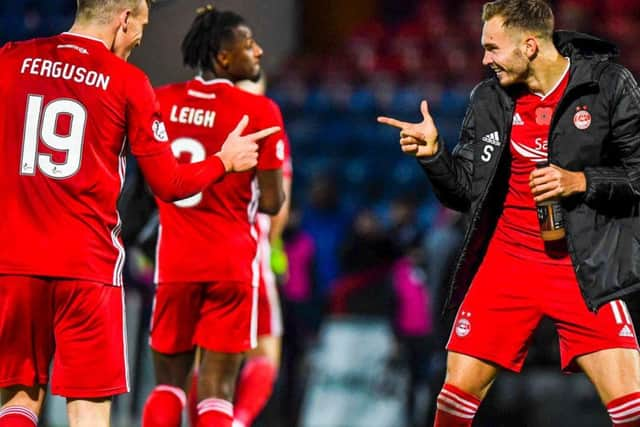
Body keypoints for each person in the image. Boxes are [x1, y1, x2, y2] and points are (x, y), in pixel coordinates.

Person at [0, 0, 279, 426]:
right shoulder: (127, 81)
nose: (139, 39)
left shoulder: (11, 58)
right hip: (87, 266)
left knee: (18, 398)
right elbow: (170, 185)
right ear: (123, 19)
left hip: (15, 260)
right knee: (90, 405)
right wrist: (223, 160)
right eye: (141, 28)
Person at [378, 0, 640, 426]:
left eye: (493, 48)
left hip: (582, 265)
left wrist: (582, 182)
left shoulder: (607, 87)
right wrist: (434, 156)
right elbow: (463, 192)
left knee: (631, 406)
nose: (485, 59)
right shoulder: (490, 98)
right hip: (507, 264)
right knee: (454, 397)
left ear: (530, 46)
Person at [141, 6, 285, 427]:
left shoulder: (161, 101)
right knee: (218, 394)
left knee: (168, 386)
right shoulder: (260, 112)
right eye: (248, 43)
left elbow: (148, 183)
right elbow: (274, 202)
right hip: (232, 265)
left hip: (176, 262)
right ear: (223, 56)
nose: (258, 50)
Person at [230, 76, 293, 427]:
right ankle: (238, 421)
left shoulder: (201, 115)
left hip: (189, 250)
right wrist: (272, 243)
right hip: (247, 250)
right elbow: (278, 206)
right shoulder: (266, 123)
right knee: (266, 350)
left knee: (200, 358)